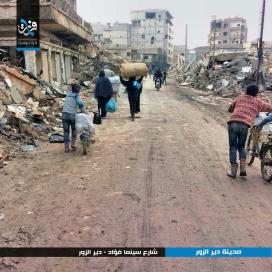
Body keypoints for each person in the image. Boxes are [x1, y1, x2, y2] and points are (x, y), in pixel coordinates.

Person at [227, 84, 272, 179]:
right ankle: (243, 170)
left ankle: (233, 172)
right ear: (256, 93)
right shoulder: (258, 101)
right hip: (244, 125)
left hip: (233, 123)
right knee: (241, 147)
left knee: (233, 146)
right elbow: (269, 107)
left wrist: (235, 109)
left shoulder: (240, 97)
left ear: (246, 90)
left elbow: (230, 108)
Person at [62, 83, 85, 153]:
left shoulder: (68, 95)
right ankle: (72, 144)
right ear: (78, 90)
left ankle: (66, 147)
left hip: (64, 114)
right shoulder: (76, 96)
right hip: (72, 115)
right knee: (74, 129)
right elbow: (80, 104)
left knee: (66, 131)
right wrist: (83, 111)